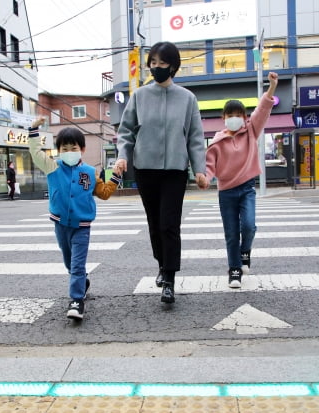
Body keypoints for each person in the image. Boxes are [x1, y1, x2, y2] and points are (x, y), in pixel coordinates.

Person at [114, 41, 207, 304]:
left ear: (173, 66)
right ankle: (161, 263)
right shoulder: (140, 96)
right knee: (154, 224)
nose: (156, 68)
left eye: (161, 63)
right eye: (152, 63)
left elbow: (195, 138)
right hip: (145, 169)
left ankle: (169, 278)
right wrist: (123, 157)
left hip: (175, 171)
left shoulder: (187, 99)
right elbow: (126, 132)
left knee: (169, 224)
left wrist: (199, 170)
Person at [28, 117, 122, 320]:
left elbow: (104, 193)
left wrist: (115, 177)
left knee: (78, 265)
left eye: (74, 147)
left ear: (82, 149)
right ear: (59, 150)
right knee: (69, 263)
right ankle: (83, 282)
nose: (69, 152)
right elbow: (35, 154)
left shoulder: (89, 172)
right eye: (65, 148)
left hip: (82, 226)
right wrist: (34, 131)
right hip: (61, 224)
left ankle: (77, 300)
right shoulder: (53, 167)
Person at [201, 72, 279, 288]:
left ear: (245, 117)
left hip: (246, 188)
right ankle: (234, 270)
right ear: (223, 118)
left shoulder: (251, 131)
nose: (234, 118)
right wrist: (205, 179)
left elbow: (263, 110)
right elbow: (209, 167)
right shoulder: (216, 142)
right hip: (226, 192)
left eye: (239, 114)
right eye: (230, 114)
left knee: (249, 226)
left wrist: (271, 87)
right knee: (231, 233)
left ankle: (246, 251)